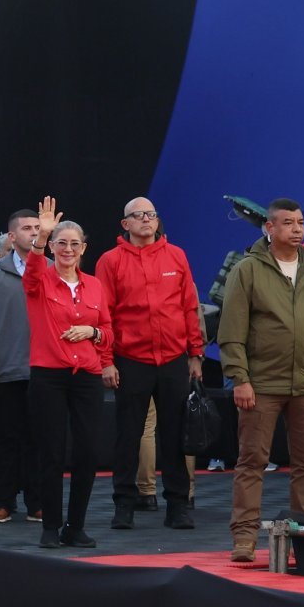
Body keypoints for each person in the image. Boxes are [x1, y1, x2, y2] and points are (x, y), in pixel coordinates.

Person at [218, 198, 304, 565]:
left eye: (299, 223)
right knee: (252, 460)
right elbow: (231, 331)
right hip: (261, 383)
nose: (297, 228)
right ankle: (244, 537)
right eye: (287, 223)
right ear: (269, 229)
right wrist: (239, 378)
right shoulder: (248, 271)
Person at [95, 196, 202, 532]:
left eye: (151, 214)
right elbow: (103, 315)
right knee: (128, 436)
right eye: (138, 215)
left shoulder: (176, 255)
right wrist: (106, 361)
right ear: (125, 224)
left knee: (175, 436)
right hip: (131, 360)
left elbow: (189, 307)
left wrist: (195, 354)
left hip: (173, 358)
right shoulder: (110, 261)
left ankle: (178, 506)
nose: (146, 219)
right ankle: (124, 505)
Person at [22, 197, 111, 549]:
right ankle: (50, 526)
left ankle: (76, 525)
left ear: (84, 247)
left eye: (74, 244)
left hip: (86, 375)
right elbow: (31, 271)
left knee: (88, 451)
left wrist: (93, 334)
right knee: (51, 451)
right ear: (53, 247)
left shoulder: (94, 286)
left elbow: (108, 330)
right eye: (62, 243)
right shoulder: (40, 280)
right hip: (49, 375)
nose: (68, 249)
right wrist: (41, 236)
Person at [0, 207, 43, 525]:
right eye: (27, 228)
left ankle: (37, 502)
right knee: (6, 438)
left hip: (45, 370)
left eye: (38, 227)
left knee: (41, 439)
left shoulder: (54, 271)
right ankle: (4, 501)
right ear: (13, 237)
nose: (34, 232)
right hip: (6, 369)